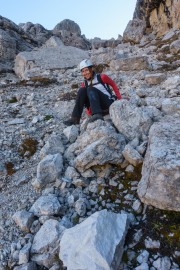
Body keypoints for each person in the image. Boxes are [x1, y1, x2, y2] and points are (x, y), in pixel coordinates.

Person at [64, 59, 122, 126]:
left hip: (108, 103)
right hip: (97, 107)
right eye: (83, 71)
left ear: (91, 69)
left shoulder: (101, 77)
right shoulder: (85, 83)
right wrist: (89, 112)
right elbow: (86, 98)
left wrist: (120, 99)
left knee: (90, 89)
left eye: (86, 70)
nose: (85, 73)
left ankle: (97, 114)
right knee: (81, 90)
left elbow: (113, 85)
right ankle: (75, 118)